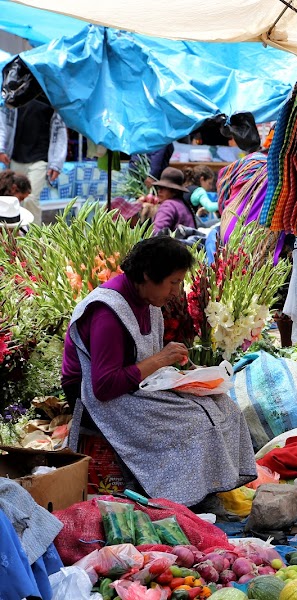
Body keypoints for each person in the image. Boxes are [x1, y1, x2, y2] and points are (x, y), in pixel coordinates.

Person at [61, 236, 256, 507]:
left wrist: (186, 372)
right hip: (97, 401)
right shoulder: (107, 312)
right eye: (173, 282)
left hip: (135, 387)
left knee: (223, 406)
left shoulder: (146, 300)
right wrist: (162, 359)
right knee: (196, 422)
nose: (177, 292)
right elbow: (104, 387)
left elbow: (139, 358)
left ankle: (208, 490)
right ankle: (183, 499)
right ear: (147, 276)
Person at [0, 98, 68, 224]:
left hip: (40, 159)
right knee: (11, 200)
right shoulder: (15, 94)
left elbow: (60, 131)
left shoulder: (50, 96)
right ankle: (11, 237)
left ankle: (34, 238)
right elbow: (3, 122)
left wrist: (57, 163)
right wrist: (1, 148)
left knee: (30, 199)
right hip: (15, 158)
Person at [151, 167, 197, 235]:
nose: (159, 191)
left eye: (163, 188)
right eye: (159, 188)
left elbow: (157, 233)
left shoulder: (168, 205)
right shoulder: (182, 204)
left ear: (174, 191)